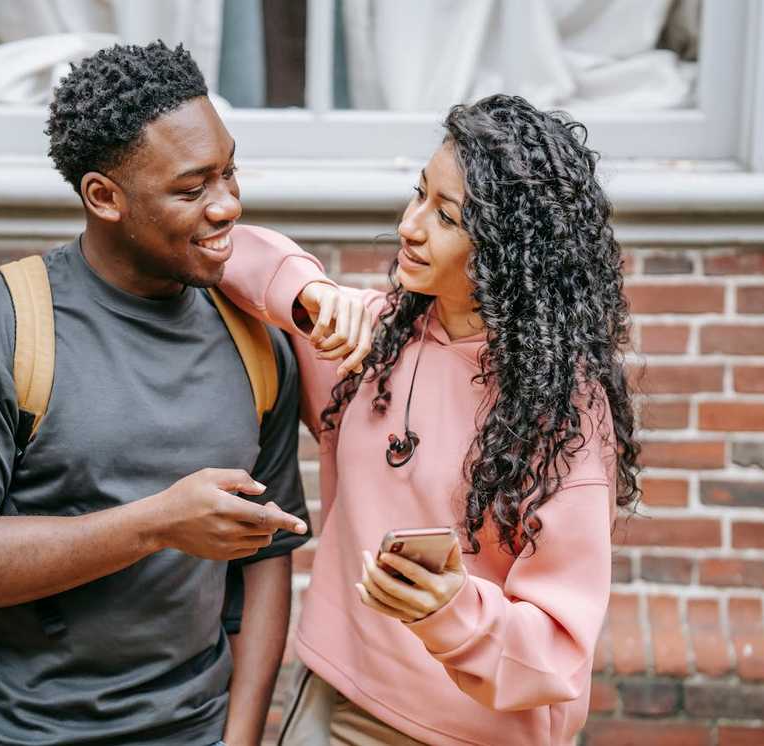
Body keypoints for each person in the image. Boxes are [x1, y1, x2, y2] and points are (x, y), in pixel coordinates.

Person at [0, 41, 309, 746]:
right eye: (191, 189)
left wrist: (239, 736)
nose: (228, 205)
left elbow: (266, 555)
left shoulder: (254, 341)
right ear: (104, 197)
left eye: (229, 172)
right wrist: (154, 524)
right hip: (8, 733)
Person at [218, 94, 641, 745]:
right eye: (419, 194)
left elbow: (557, 651)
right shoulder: (374, 340)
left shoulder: (563, 416)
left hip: (472, 731)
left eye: (446, 216)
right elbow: (228, 250)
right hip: (335, 697)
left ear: (510, 249)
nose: (410, 226)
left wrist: (452, 612)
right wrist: (311, 292)